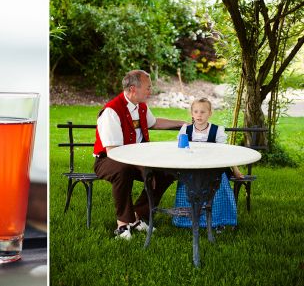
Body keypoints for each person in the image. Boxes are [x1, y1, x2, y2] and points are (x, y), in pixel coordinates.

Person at [93, 70, 188, 240]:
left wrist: (182, 123)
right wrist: (143, 167)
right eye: (148, 87)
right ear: (132, 89)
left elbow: (155, 123)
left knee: (166, 172)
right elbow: (114, 152)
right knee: (123, 171)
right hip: (108, 160)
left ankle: (139, 216)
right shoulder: (112, 111)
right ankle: (122, 224)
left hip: (136, 160)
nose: (150, 91)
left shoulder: (141, 107)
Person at [172, 98, 243, 230]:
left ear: (210, 113)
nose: (199, 115)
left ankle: (218, 221)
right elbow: (180, 151)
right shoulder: (185, 130)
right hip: (191, 169)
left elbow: (226, 152)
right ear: (192, 113)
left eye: (203, 112)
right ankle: (188, 221)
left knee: (218, 191)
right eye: (196, 111)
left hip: (213, 170)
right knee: (188, 190)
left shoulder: (217, 130)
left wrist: (236, 170)